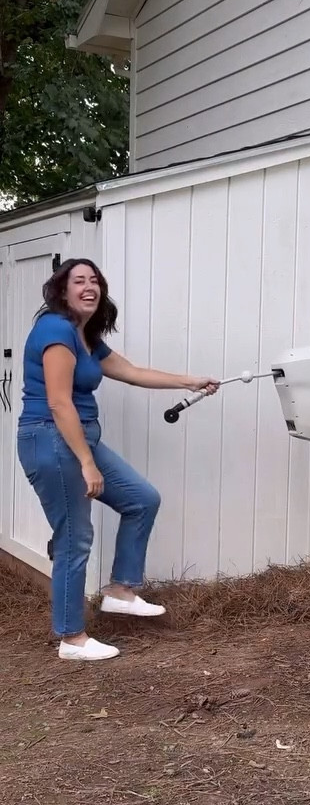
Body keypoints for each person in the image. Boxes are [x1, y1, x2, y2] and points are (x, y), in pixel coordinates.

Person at [16, 258, 219, 663]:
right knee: (75, 538)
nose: (89, 286)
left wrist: (189, 380)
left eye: (95, 281)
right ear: (61, 291)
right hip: (52, 438)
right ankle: (71, 638)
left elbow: (130, 371)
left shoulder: (84, 334)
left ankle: (121, 591)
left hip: (76, 438)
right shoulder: (55, 329)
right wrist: (87, 464)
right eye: (79, 281)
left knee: (141, 499)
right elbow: (58, 402)